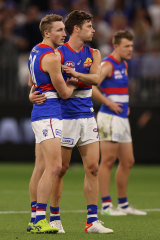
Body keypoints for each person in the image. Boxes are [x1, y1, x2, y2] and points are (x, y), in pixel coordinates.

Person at [29, 10, 113, 234]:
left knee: (93, 168)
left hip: (86, 115)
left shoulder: (94, 53)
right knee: (60, 169)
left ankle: (92, 221)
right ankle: (55, 218)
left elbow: (96, 79)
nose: (94, 30)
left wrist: (75, 75)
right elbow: (35, 78)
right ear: (77, 28)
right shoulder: (57, 53)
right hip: (64, 116)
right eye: (89, 26)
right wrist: (31, 94)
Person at [27, 14, 77, 234]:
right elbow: (65, 93)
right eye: (58, 30)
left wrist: (31, 96)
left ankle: (34, 218)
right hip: (49, 113)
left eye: (64, 30)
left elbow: (31, 82)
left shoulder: (36, 50)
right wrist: (75, 82)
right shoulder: (52, 57)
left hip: (40, 111)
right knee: (55, 167)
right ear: (46, 32)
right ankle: (39, 220)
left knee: (41, 167)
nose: (64, 34)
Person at [92, 30, 147, 216]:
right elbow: (92, 86)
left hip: (122, 118)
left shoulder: (123, 64)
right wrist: (108, 102)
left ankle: (123, 204)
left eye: (132, 46)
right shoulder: (108, 64)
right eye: (127, 46)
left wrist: (125, 105)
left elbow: (120, 90)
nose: (131, 49)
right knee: (107, 161)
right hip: (109, 118)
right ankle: (106, 205)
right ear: (116, 46)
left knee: (128, 161)